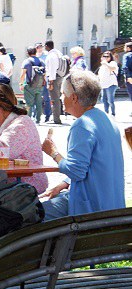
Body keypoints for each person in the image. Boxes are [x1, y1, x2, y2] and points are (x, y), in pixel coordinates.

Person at [40, 70, 124, 220]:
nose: (61, 97)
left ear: (74, 98)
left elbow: (76, 171)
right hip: (111, 205)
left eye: (63, 94)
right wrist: (64, 184)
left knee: (33, 215)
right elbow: (93, 166)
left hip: (91, 208)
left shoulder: (83, 125)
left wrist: (53, 152)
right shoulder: (106, 119)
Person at [20, 46, 45, 123]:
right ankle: (38, 119)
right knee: (38, 103)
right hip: (39, 85)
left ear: (27, 53)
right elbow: (44, 73)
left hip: (29, 85)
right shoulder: (41, 61)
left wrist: (21, 84)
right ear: (35, 52)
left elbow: (23, 74)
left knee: (29, 103)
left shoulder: (26, 62)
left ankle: (28, 120)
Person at [44, 41, 65, 125]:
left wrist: (51, 82)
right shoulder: (58, 53)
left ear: (46, 46)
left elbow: (52, 69)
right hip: (59, 77)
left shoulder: (52, 55)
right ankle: (57, 117)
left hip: (54, 78)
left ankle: (56, 119)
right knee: (57, 98)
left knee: (54, 99)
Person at [97, 50, 119, 117]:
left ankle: (113, 114)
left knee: (110, 100)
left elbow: (113, 68)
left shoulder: (112, 63)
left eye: (107, 56)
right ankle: (106, 113)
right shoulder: (102, 66)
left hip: (111, 84)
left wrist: (106, 63)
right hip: (103, 85)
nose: (106, 58)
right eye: (104, 56)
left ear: (110, 57)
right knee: (104, 100)